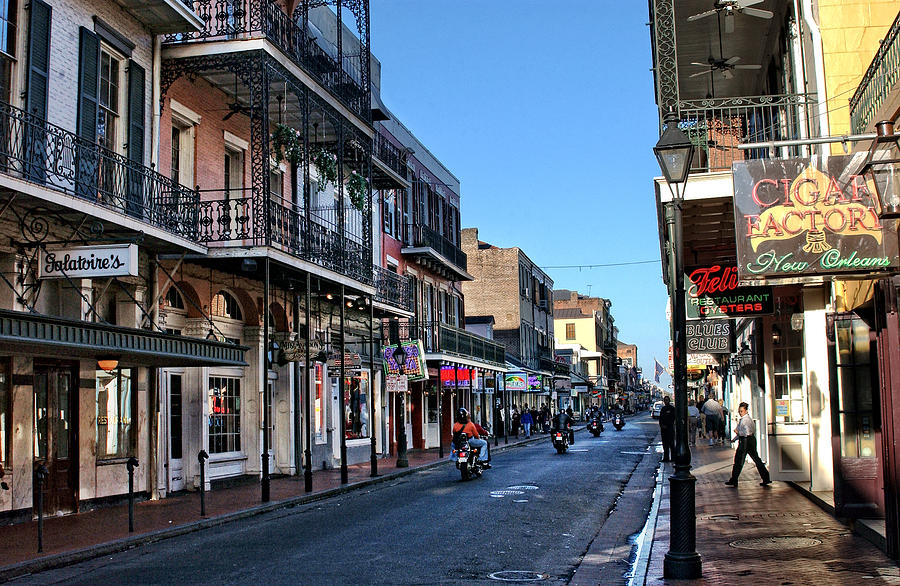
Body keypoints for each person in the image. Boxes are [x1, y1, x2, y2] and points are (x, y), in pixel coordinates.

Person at [725, 402, 771, 487]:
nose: (740, 413)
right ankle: (766, 477)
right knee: (756, 459)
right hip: (749, 440)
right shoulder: (744, 419)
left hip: (746, 441)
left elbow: (747, 432)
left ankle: (734, 479)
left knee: (739, 460)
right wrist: (734, 439)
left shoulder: (746, 420)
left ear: (746, 411)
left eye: (741, 411)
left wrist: (738, 432)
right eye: (739, 411)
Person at [658, 396, 676, 462]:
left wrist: (670, 425)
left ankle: (673, 457)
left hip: (670, 428)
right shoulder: (663, 409)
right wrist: (662, 425)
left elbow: (673, 418)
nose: (666, 401)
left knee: (671, 444)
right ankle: (666, 457)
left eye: (667, 400)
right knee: (665, 444)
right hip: (664, 429)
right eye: (665, 400)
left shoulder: (672, 409)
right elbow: (660, 419)